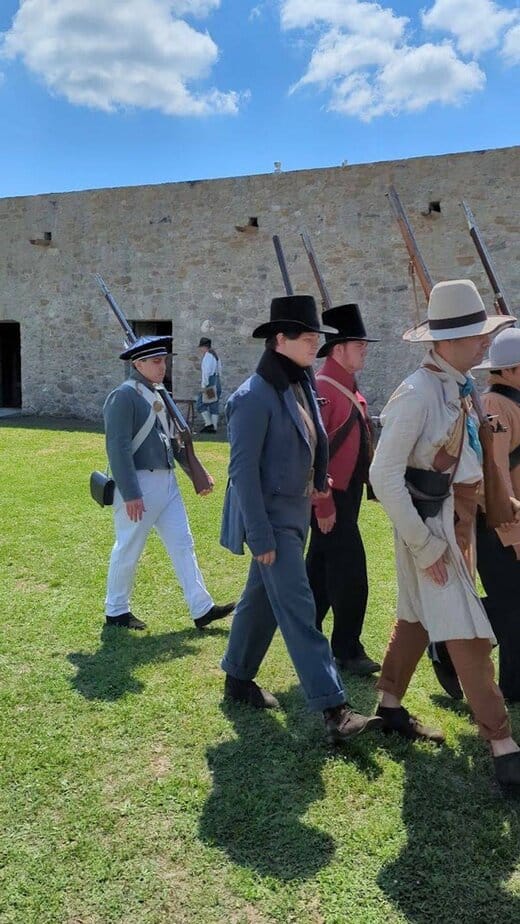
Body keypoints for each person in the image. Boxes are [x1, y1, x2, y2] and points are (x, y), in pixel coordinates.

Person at [369, 279, 520, 789]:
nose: (485, 343)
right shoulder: (416, 393)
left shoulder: (458, 385)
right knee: (470, 634)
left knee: (414, 618)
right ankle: (503, 746)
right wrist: (425, 543)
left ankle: (389, 704)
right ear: (447, 340)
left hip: (454, 522)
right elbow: (383, 476)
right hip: (429, 525)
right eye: (477, 334)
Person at [220, 295, 381, 744]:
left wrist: (318, 480)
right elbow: (242, 473)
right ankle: (334, 709)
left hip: (295, 513)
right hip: (272, 521)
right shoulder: (252, 397)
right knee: (298, 608)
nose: (316, 345)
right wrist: (260, 534)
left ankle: (237, 676)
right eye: (307, 338)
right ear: (278, 341)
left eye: (317, 338)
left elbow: (309, 442)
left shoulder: (300, 383)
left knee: (261, 601)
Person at [103, 334, 234, 631]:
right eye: (156, 361)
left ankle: (201, 608)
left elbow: (173, 442)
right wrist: (131, 493)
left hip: (166, 483)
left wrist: (194, 473)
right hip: (137, 483)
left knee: (183, 543)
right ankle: (116, 610)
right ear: (138, 363)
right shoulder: (124, 396)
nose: (162, 366)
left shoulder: (158, 392)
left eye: (164, 360)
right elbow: (118, 448)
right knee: (129, 547)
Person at [432, 328, 520, 703]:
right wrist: (512, 527)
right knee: (511, 610)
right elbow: (494, 475)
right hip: (503, 524)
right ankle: (446, 640)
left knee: (510, 608)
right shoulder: (496, 407)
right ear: (512, 370)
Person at [306, 303, 380, 675]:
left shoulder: (345, 386)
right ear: (338, 350)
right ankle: (347, 650)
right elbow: (315, 453)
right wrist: (324, 507)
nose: (365, 348)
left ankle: (305, 634)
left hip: (345, 495)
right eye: (358, 344)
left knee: (319, 571)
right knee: (351, 574)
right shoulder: (322, 388)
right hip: (329, 496)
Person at [197, 337, 222, 433]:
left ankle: (209, 424)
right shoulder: (215, 356)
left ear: (204, 347)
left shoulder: (208, 356)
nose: (200, 349)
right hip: (217, 381)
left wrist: (204, 385)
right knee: (213, 405)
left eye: (201, 347)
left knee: (200, 404)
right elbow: (220, 370)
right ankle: (214, 428)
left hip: (210, 384)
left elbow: (206, 372)